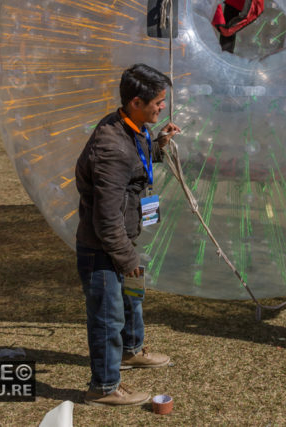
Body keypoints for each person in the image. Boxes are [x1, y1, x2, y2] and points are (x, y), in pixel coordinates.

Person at [75, 64, 180, 407]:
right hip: (104, 246)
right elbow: (105, 219)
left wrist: (159, 144)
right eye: (158, 102)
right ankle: (103, 387)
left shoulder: (131, 127)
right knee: (108, 315)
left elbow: (136, 168)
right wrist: (126, 258)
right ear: (137, 101)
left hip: (124, 237)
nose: (162, 107)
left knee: (133, 296)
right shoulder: (111, 147)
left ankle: (132, 350)